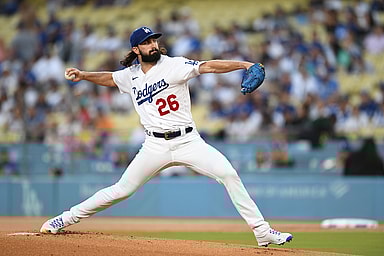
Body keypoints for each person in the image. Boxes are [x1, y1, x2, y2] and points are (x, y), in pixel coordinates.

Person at [40, 26, 293, 247]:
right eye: (147, 42)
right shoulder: (131, 75)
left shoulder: (175, 65)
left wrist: (244, 65)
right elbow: (111, 78)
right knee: (121, 190)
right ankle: (65, 218)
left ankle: (262, 232)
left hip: (188, 141)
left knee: (228, 174)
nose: (153, 44)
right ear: (136, 49)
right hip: (154, 145)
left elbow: (209, 66)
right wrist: (84, 75)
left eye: (154, 40)